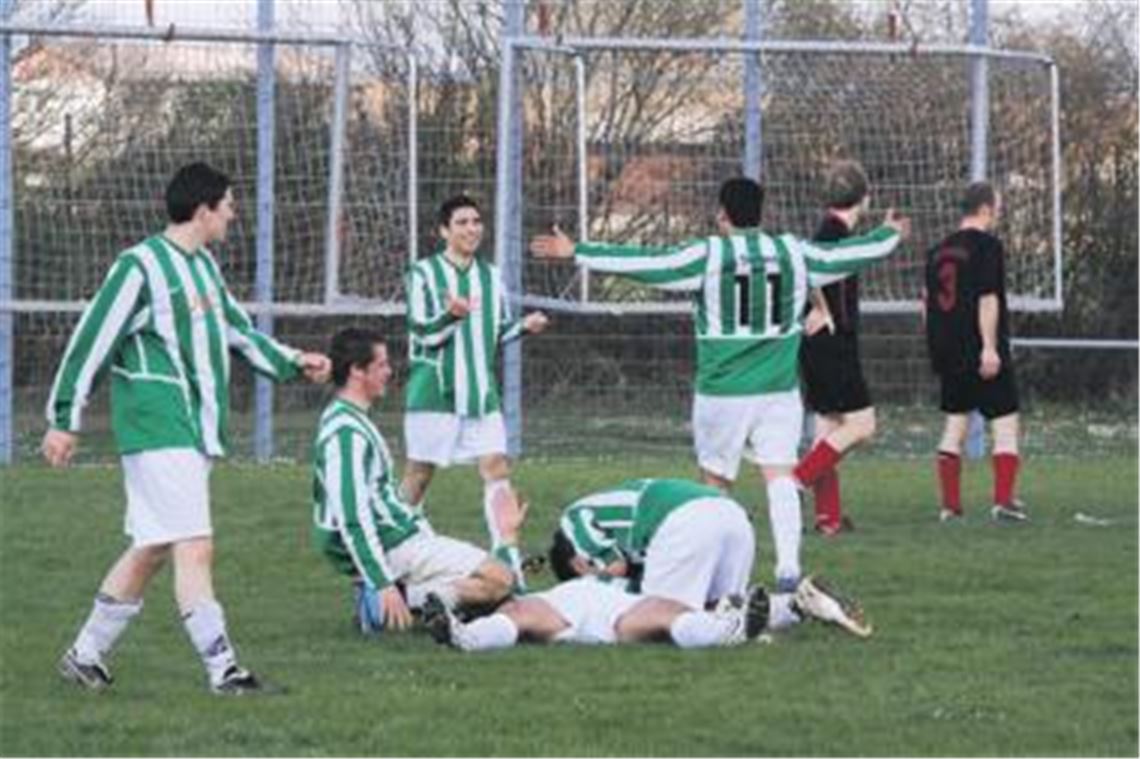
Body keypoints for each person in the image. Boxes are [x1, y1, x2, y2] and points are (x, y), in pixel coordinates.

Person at [531, 177, 910, 590]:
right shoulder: (791, 251)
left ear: (722, 214)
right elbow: (849, 255)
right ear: (762, 213)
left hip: (722, 392)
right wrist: (888, 234)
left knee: (715, 484)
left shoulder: (708, 254)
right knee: (780, 476)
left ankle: (720, 578)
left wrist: (578, 252)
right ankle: (788, 570)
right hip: (777, 390)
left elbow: (647, 263)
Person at [44, 162, 332, 694]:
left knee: (152, 547)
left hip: (190, 429)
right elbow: (91, 341)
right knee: (194, 547)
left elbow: (238, 333)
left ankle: (85, 655)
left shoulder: (204, 269)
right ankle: (224, 670)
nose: (232, 215)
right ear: (203, 211)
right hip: (158, 425)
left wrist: (295, 360)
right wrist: (64, 420)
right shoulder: (140, 266)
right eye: (227, 207)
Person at [312, 327, 524, 634]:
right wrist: (381, 582)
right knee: (499, 580)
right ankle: (390, 602)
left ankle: (407, 602)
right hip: (393, 545)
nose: (389, 371)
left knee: (493, 595)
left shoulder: (349, 418)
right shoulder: (346, 434)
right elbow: (352, 518)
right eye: (382, 364)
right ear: (358, 371)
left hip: (401, 537)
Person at [401, 194, 550, 590]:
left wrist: (524, 326)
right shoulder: (423, 274)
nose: (472, 229)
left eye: (476, 221)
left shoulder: (491, 276)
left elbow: (497, 331)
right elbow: (421, 332)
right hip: (434, 392)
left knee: (497, 468)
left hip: (481, 393)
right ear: (444, 231)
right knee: (418, 476)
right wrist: (451, 314)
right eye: (462, 222)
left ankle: (507, 555)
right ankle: (393, 554)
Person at [421, 573, 869, 652]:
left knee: (665, 612)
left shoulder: (625, 580)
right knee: (520, 614)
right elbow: (515, 574)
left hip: (620, 610)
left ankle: (730, 631)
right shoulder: (546, 588)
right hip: (562, 606)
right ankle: (464, 636)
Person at [924, 181, 1026, 522]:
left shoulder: (937, 251)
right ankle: (1003, 501)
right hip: (979, 347)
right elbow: (987, 297)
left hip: (948, 349)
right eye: (996, 206)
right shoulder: (987, 246)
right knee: (1005, 422)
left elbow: (927, 306)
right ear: (985, 209)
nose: (997, 213)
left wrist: (936, 347)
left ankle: (950, 507)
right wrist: (989, 347)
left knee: (955, 423)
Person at [795, 160, 878, 536]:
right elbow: (805, 271)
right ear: (863, 198)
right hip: (832, 345)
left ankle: (828, 519)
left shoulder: (826, 231)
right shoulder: (833, 234)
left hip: (818, 345)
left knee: (828, 430)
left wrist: (818, 306)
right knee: (863, 425)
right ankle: (795, 482)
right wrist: (823, 309)